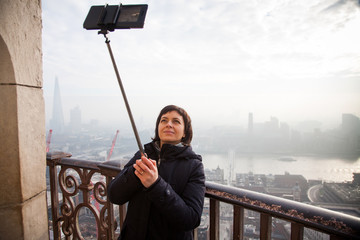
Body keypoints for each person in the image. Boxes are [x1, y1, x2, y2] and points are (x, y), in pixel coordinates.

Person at [108, 105, 205, 240]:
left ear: (184, 133)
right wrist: (134, 172)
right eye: (163, 120)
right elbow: (114, 195)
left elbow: (191, 219)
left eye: (176, 121)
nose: (168, 124)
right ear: (158, 128)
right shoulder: (143, 155)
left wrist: (156, 185)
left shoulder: (194, 166)